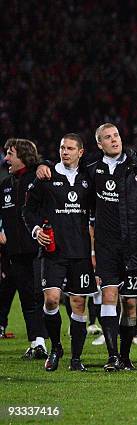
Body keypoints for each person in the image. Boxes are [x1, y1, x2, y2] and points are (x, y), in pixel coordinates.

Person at [81, 123, 137, 371]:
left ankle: (126, 357)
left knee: (130, 304)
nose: (114, 139)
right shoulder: (92, 169)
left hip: (136, 245)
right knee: (109, 295)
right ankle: (112, 356)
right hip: (107, 245)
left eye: (116, 135)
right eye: (107, 137)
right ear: (99, 144)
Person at [23, 133, 97, 371]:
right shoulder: (46, 176)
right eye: (62, 148)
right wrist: (36, 231)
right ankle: (55, 347)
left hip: (80, 252)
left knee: (78, 304)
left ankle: (76, 359)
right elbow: (28, 210)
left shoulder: (88, 177)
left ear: (80, 152)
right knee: (52, 299)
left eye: (70, 148)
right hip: (53, 251)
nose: (65, 152)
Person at [0, 139, 47, 358]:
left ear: (23, 156)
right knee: (27, 298)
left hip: (39, 248)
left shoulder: (39, 178)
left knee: (40, 296)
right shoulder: (5, 186)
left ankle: (48, 342)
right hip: (15, 252)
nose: (6, 158)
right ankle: (36, 343)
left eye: (10, 153)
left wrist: (43, 164)